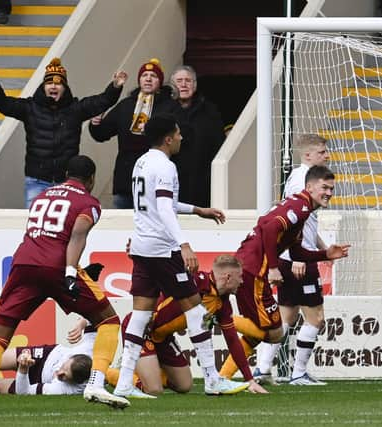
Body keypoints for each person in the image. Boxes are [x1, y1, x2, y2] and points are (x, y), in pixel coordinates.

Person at [0, 155, 129, 412]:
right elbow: (78, 233)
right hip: (56, 267)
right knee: (109, 321)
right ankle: (95, 383)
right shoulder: (88, 202)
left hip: (23, 264)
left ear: (66, 174)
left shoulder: (42, 195)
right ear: (92, 179)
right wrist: (71, 270)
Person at [112, 114, 249, 398]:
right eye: (178, 134)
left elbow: (163, 202)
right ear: (168, 138)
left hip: (141, 246)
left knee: (140, 315)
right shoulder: (166, 166)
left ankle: (125, 382)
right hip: (162, 248)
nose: (181, 138)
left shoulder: (142, 162)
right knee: (196, 310)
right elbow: (163, 208)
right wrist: (183, 244)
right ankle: (213, 379)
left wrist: (199, 210)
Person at [218, 165, 350, 383]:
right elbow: (270, 230)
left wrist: (325, 254)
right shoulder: (301, 208)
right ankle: (215, 316)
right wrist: (272, 267)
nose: (328, 193)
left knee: (264, 330)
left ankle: (224, 377)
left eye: (331, 188)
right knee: (269, 330)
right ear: (309, 187)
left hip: (248, 265)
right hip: (254, 269)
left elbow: (296, 250)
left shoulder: (300, 208)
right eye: (324, 187)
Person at [108, 255, 268, 395]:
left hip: (163, 337)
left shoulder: (222, 303)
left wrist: (250, 380)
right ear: (227, 277)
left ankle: (149, 370)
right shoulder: (194, 283)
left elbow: (232, 340)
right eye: (240, 277)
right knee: (154, 390)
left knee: (184, 386)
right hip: (143, 331)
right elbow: (161, 280)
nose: (242, 281)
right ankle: (110, 373)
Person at [0, 58, 127, 207]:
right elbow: (3, 104)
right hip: (36, 181)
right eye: (49, 83)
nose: (53, 86)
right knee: (35, 222)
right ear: (44, 86)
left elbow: (102, 101)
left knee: (65, 223)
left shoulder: (75, 108)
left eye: (58, 83)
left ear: (64, 87)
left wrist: (115, 87)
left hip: (67, 182)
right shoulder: (30, 107)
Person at [253, 134, 332, 386]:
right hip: (297, 259)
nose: (326, 155)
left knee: (286, 316)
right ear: (307, 155)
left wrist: (321, 247)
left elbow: (301, 222)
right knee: (316, 318)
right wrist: (298, 256)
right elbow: (293, 223)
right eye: (321, 152)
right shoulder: (303, 180)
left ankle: (263, 367)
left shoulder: (299, 178)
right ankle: (298, 372)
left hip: (293, 255)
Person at [89, 58, 179, 209]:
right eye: (144, 75)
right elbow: (102, 134)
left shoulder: (170, 106)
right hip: (126, 179)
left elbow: (176, 140)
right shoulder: (126, 105)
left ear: (160, 82)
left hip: (155, 179)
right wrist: (95, 124)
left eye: (153, 76)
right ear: (139, 80)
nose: (148, 79)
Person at [0, 318, 95, 395]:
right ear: (72, 357)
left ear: (75, 381)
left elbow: (24, 392)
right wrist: (81, 323)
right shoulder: (89, 349)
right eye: (64, 366)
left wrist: (23, 370)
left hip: (38, 379)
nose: (58, 372)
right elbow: (95, 315)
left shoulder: (64, 389)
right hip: (46, 355)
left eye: (63, 376)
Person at [169, 65, 226, 208]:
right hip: (172, 180)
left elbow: (219, 145)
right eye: (179, 81)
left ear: (194, 85)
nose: (183, 84)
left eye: (188, 81)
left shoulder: (210, 110)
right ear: (172, 86)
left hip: (202, 182)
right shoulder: (165, 110)